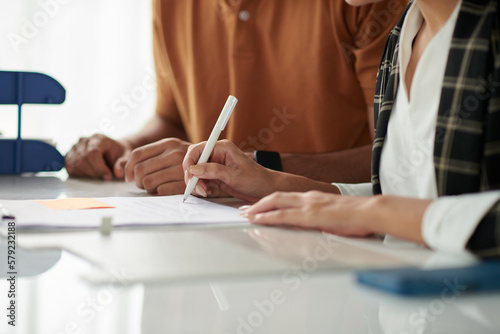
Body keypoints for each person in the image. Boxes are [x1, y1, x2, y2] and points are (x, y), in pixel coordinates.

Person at [182, 0, 500, 257]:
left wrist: (376, 213)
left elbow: (397, 210)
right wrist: (274, 182)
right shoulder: (406, 31)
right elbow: (407, 196)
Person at [65, 0, 407, 195]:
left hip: (329, 237)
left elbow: (394, 162)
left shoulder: (362, 2)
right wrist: (129, 149)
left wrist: (260, 169)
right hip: (206, 233)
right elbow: (173, 120)